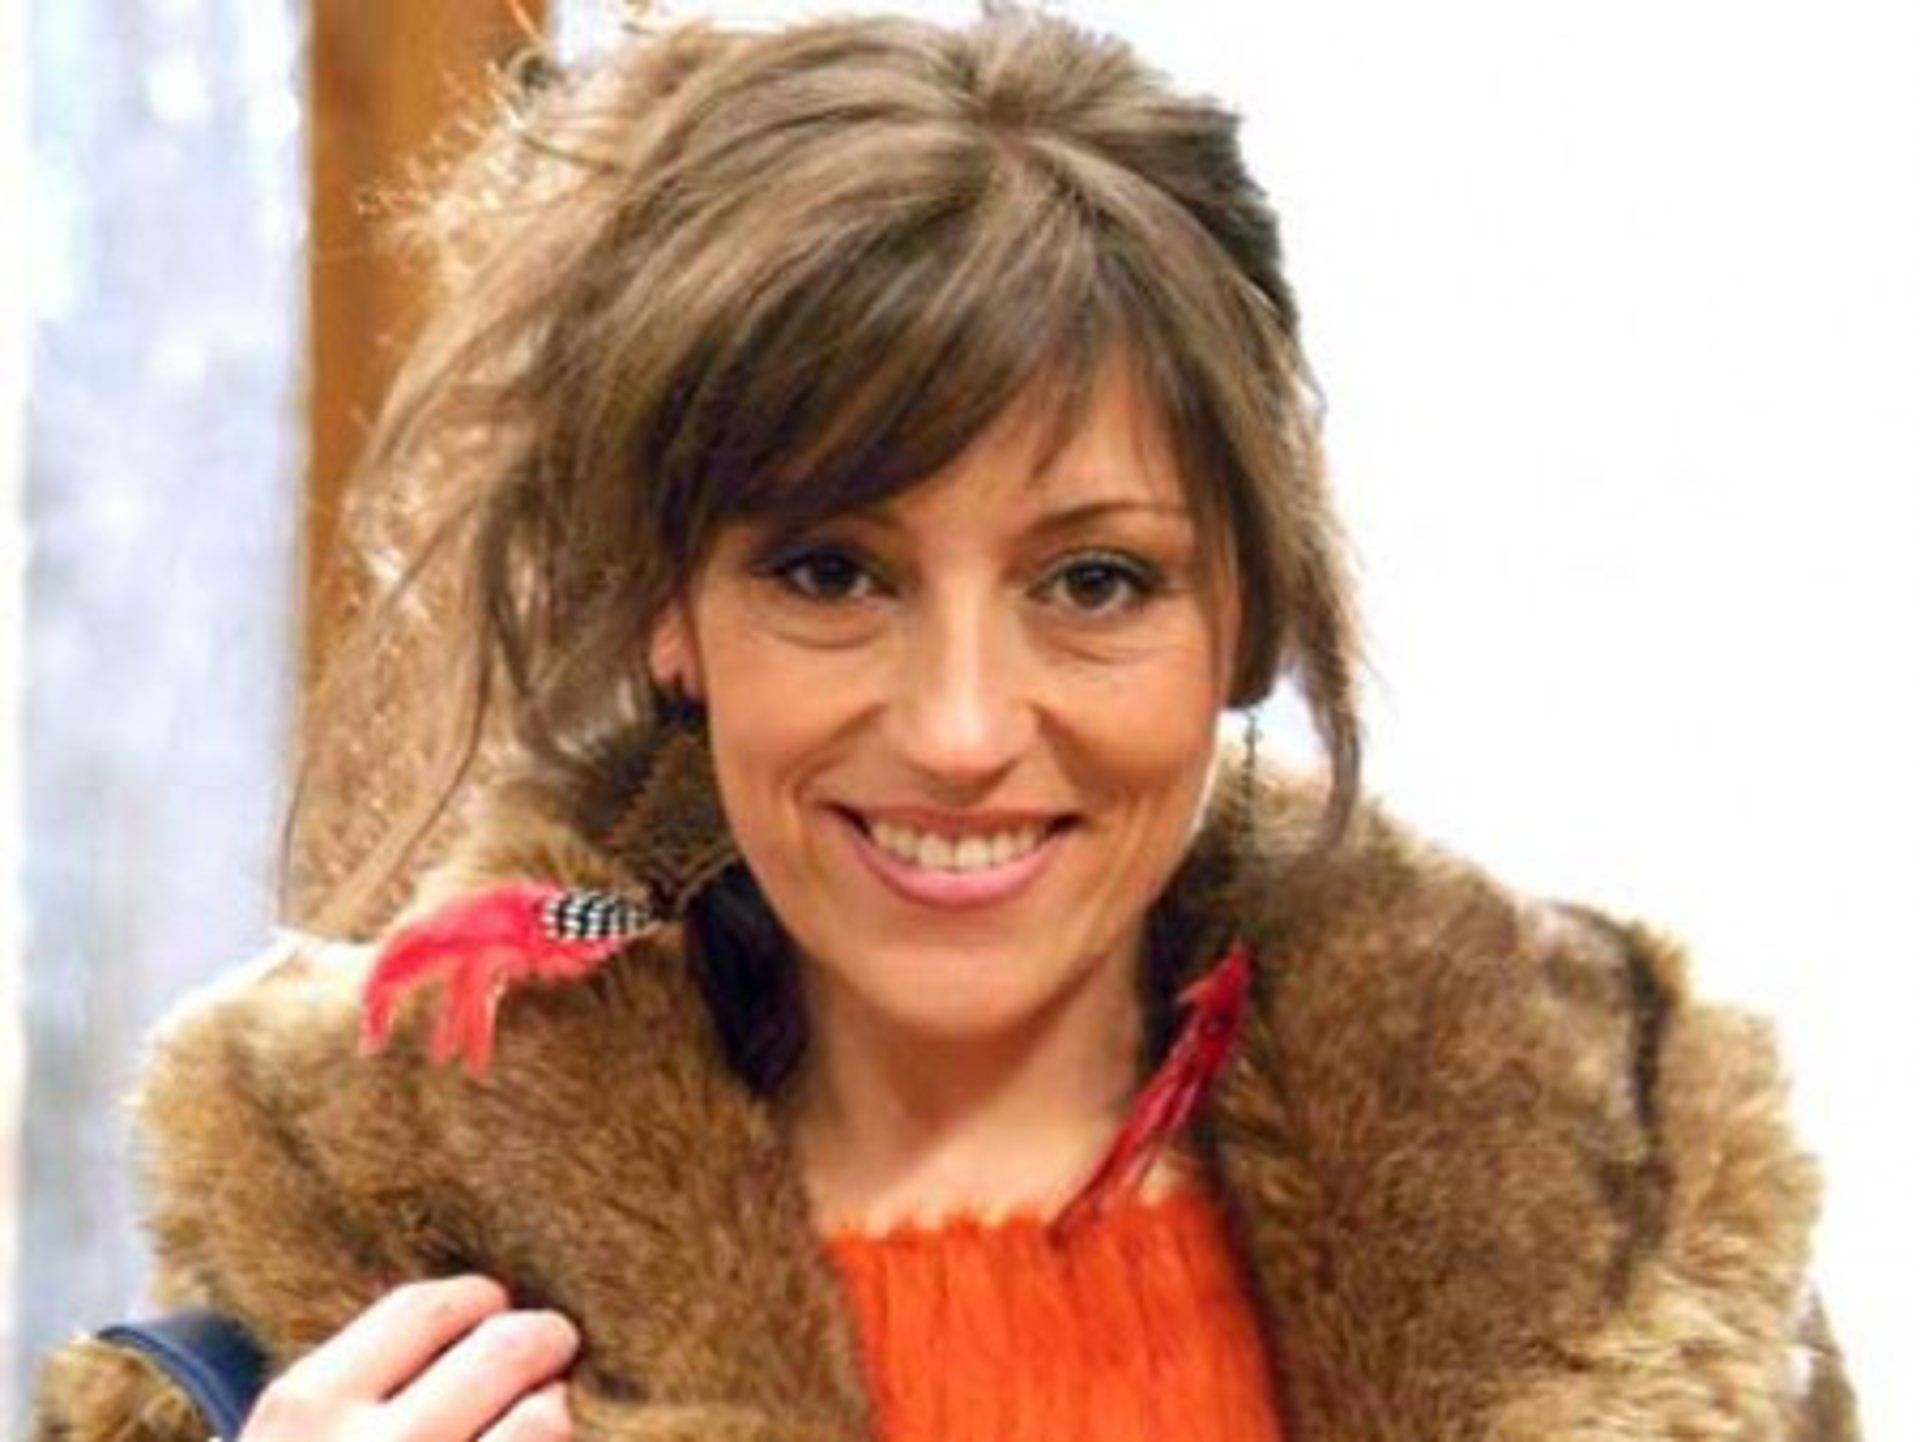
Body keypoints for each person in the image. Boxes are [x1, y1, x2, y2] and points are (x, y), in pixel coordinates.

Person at [32, 7, 1856, 1440]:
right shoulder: (352, 1282)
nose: (965, 727)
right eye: (832, 572)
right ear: (673, 610)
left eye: (1096, 581)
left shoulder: (1622, 1206)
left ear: (1246, 609)